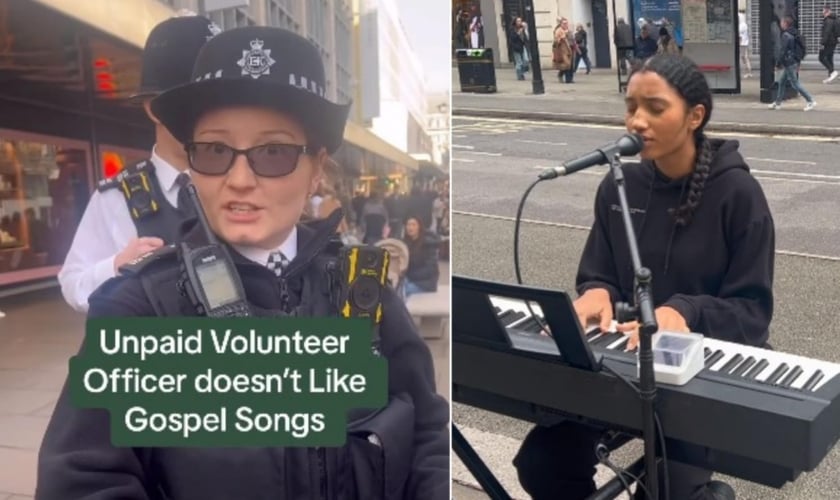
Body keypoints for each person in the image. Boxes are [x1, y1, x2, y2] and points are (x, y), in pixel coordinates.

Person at [36, 26, 450, 500]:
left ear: (316, 169)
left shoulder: (364, 292)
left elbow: (427, 436)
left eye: (272, 153)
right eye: (215, 151)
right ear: (191, 164)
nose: (238, 179)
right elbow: (84, 482)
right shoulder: (143, 309)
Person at [513, 54, 775, 500]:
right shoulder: (621, 185)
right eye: (631, 106)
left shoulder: (738, 194)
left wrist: (684, 312)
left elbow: (753, 313)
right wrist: (596, 291)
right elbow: (599, 272)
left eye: (655, 108)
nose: (637, 121)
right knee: (542, 464)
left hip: (701, 374)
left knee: (666, 491)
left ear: (695, 116)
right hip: (625, 368)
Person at [57, 13, 220, 312]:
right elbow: (73, 282)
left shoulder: (243, 182)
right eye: (196, 102)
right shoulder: (116, 198)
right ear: (154, 108)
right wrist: (117, 266)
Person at [769, 15, 816, 111]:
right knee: (782, 82)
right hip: (793, 61)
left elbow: (783, 51)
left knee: (795, 84)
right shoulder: (794, 33)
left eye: (782, 22)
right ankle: (778, 103)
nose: (780, 24)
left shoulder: (786, 35)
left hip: (789, 63)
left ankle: (810, 100)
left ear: (785, 24)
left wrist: (778, 64)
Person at [402, 216, 440, 297]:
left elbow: (431, 269)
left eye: (413, 225)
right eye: (408, 225)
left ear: (419, 227)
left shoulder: (428, 244)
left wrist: (410, 276)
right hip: (411, 279)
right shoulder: (406, 243)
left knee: (402, 291)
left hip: (425, 283)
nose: (410, 227)